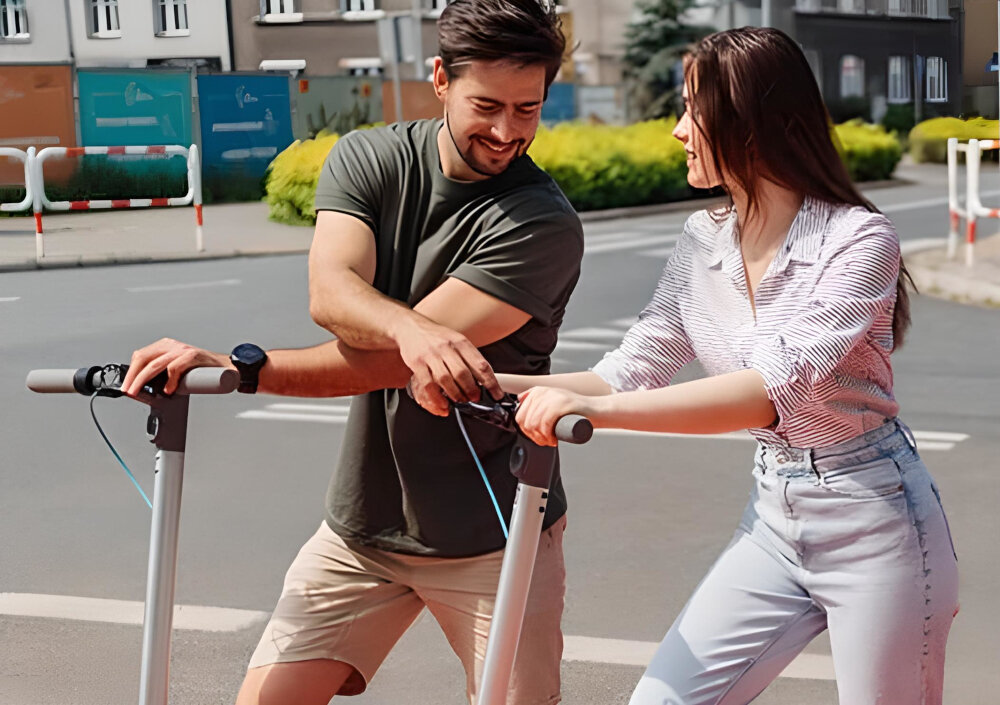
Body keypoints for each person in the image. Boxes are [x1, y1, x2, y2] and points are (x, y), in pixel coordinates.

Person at [121, 1, 583, 703]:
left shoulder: (540, 222)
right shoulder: (370, 157)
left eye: (528, 109)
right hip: (363, 527)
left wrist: (241, 368)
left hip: (495, 535)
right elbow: (331, 292)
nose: (505, 130)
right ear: (439, 78)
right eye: (486, 104)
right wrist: (414, 329)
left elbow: (379, 365)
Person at [503, 27, 959, 705]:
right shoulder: (702, 240)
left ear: (751, 119)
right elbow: (633, 365)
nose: (680, 130)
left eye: (694, 109)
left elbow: (771, 392)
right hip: (774, 520)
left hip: (876, 520)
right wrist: (489, 382)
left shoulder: (858, 240)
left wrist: (595, 412)